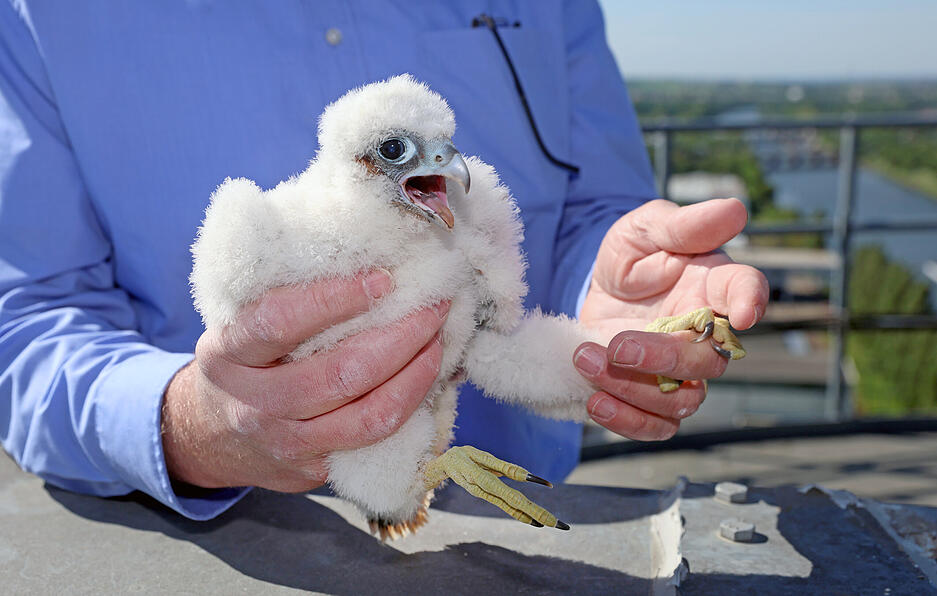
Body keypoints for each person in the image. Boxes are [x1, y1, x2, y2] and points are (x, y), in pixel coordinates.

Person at [0, 1, 768, 519]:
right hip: (218, 556)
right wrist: (193, 425)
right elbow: (27, 323)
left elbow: (587, 212)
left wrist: (628, 290)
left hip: (525, 542)